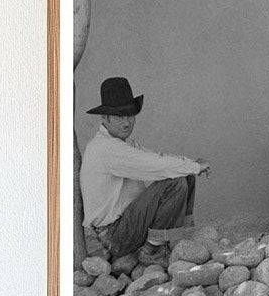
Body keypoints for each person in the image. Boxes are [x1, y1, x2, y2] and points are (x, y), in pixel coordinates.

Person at [80, 76, 210, 261]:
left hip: (128, 224)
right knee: (176, 182)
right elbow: (154, 166)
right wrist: (195, 166)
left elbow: (156, 158)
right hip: (114, 235)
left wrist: (191, 164)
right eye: (119, 116)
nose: (127, 122)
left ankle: (182, 238)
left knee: (186, 175)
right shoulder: (106, 148)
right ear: (105, 118)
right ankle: (151, 251)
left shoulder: (123, 144)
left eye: (130, 115)